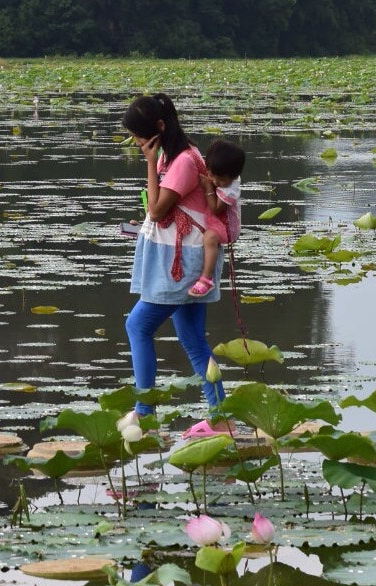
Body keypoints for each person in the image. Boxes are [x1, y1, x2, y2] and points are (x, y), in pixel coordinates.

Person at [121, 93, 233, 437]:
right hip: (183, 256)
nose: (137, 142)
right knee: (194, 340)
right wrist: (154, 160)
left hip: (182, 262)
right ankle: (221, 418)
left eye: (140, 135)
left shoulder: (184, 160)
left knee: (137, 327)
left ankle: (146, 414)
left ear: (158, 127)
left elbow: (155, 210)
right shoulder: (176, 156)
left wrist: (148, 161)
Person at [189, 140, 244, 298]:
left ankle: (207, 278)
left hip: (227, 226)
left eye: (221, 180)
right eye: (211, 175)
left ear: (233, 177)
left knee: (209, 237)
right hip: (215, 220)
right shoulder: (221, 177)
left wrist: (207, 187)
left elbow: (215, 208)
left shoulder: (231, 189)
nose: (215, 181)